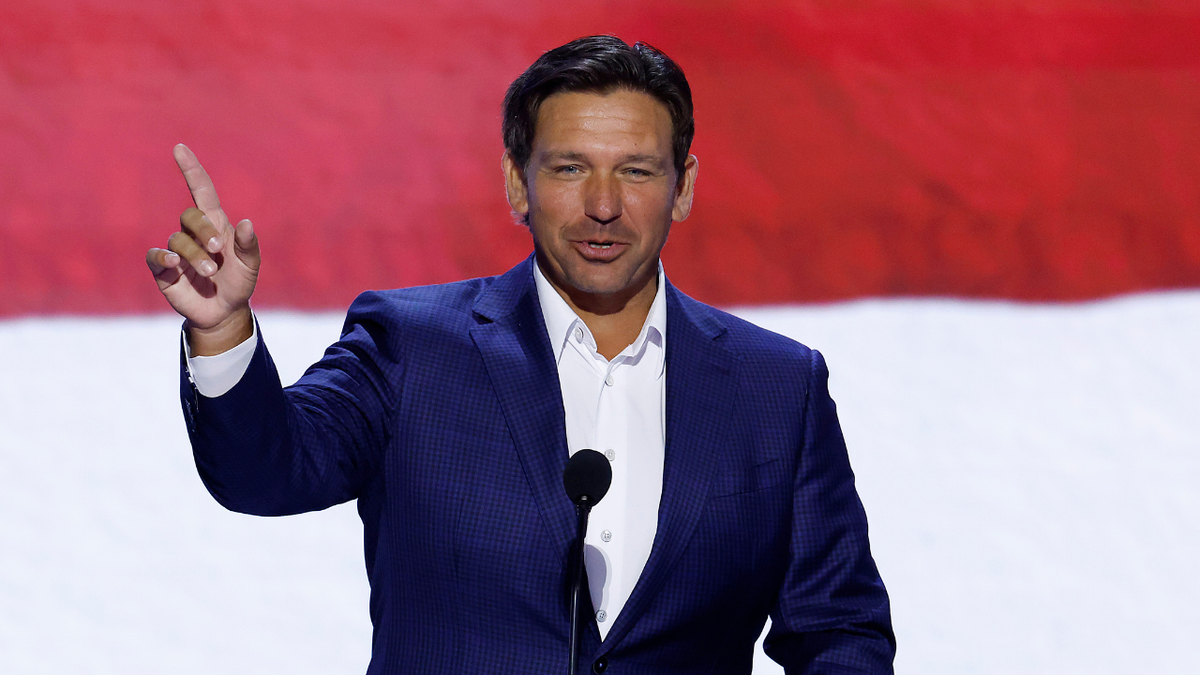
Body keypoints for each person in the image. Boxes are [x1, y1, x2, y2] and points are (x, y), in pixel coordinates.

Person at [146, 36, 894, 674]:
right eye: (570, 168)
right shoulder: (411, 345)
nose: (604, 204)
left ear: (683, 186)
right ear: (517, 182)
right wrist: (222, 331)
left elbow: (839, 629)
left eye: (636, 170)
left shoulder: (778, 388)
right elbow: (265, 469)